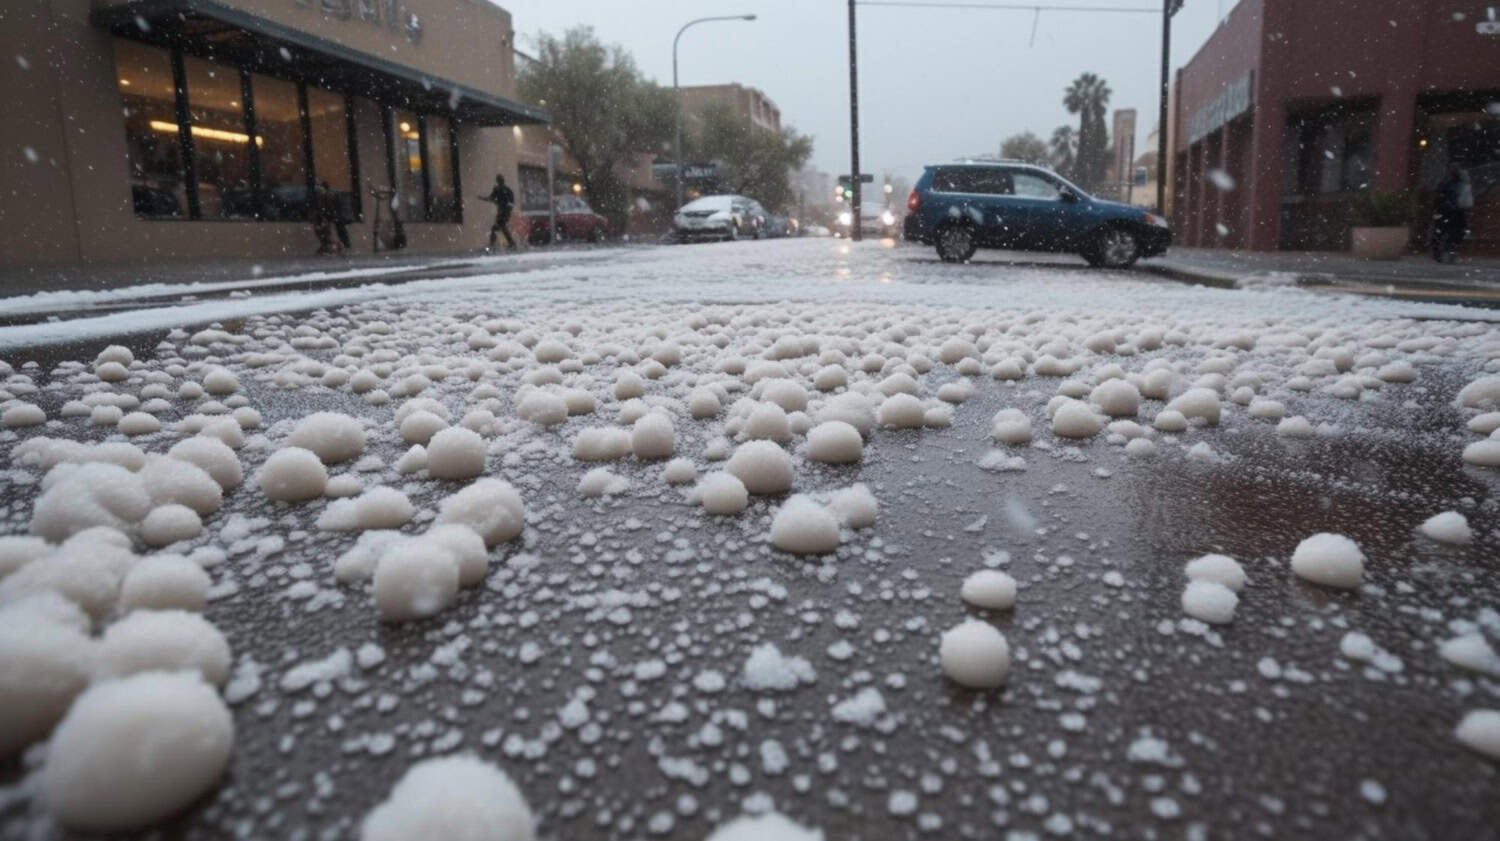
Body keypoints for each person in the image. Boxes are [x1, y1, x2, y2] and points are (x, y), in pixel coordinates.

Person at [1433, 164, 1473, 264]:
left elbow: (1439, 196)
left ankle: (1441, 253)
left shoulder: (1445, 184)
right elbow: (1466, 201)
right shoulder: (1461, 184)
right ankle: (1449, 252)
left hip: (1445, 211)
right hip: (1455, 212)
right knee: (1455, 233)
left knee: (1441, 232)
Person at [482, 174, 516, 252]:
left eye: (499, 180)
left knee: (497, 228)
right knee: (501, 228)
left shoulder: (501, 190)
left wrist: (485, 199)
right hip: (503, 212)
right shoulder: (504, 190)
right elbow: (492, 198)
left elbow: (491, 198)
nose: (499, 182)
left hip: (503, 212)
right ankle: (511, 244)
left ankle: (492, 245)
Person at [312, 182, 343, 256]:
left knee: (325, 235)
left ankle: (334, 246)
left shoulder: (327, 197)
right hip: (322, 219)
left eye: (321, 188)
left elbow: (328, 209)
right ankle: (327, 248)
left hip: (324, 219)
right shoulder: (322, 197)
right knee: (323, 235)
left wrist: (325, 218)